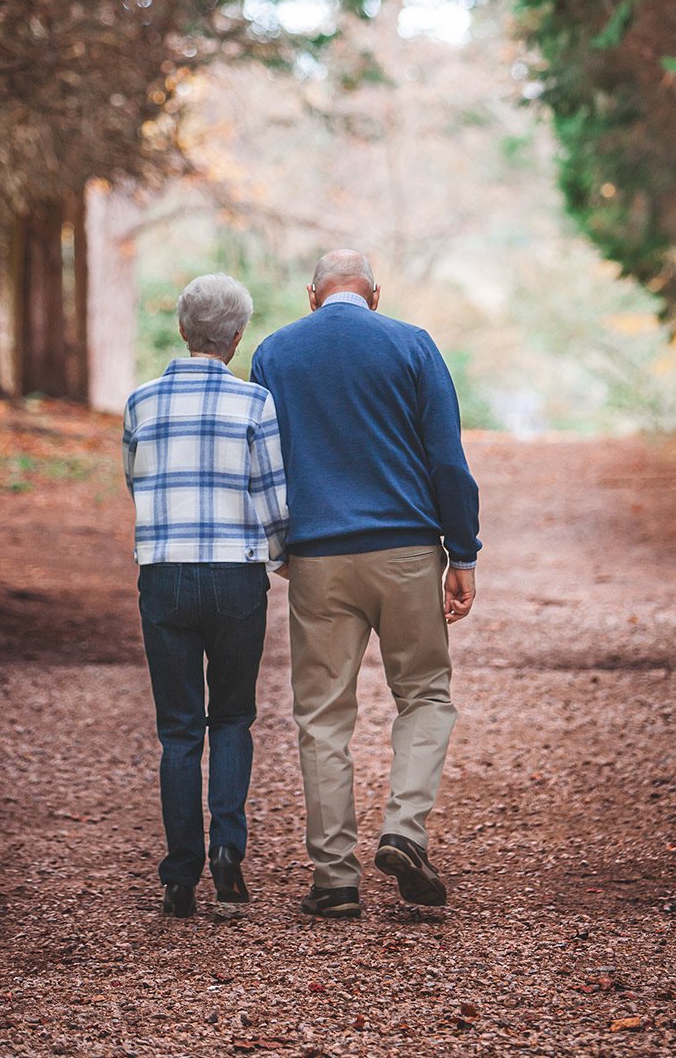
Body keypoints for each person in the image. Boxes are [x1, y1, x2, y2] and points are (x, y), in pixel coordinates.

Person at [247, 249, 481, 920]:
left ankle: (335, 880)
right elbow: (447, 458)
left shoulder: (275, 353)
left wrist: (278, 545)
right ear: (375, 296)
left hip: (318, 558)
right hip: (406, 552)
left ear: (312, 296)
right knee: (426, 696)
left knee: (322, 716)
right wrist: (461, 553)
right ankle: (405, 830)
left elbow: (265, 458)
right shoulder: (412, 345)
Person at [123, 274, 288, 920]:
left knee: (178, 729)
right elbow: (274, 499)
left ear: (182, 329)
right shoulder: (255, 404)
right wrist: (281, 558)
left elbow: (135, 481)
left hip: (164, 573)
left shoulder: (140, 402)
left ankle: (178, 873)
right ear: (238, 336)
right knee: (232, 717)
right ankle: (228, 848)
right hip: (233, 575)